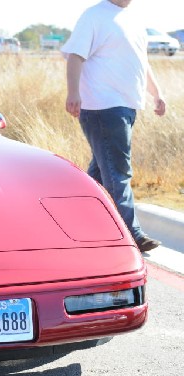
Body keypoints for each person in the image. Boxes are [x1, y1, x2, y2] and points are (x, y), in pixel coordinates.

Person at [61, 0, 166, 252]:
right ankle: (133, 233)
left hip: (127, 106)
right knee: (118, 172)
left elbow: (142, 61)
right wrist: (73, 92)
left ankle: (71, 222)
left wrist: (157, 93)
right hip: (103, 106)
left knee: (100, 173)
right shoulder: (94, 15)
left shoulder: (132, 19)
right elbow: (75, 55)